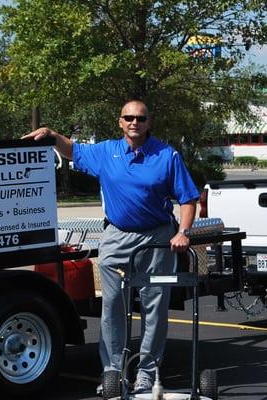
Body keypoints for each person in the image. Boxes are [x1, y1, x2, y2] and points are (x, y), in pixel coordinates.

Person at [22, 100, 199, 393]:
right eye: (128, 117)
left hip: (156, 238)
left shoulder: (167, 155)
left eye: (140, 118)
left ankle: (146, 373)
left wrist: (183, 232)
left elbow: (188, 199)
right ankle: (114, 370)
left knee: (154, 307)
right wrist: (51, 135)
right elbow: (72, 150)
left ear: (148, 122)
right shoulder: (106, 151)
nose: (134, 122)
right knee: (113, 306)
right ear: (120, 122)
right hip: (116, 237)